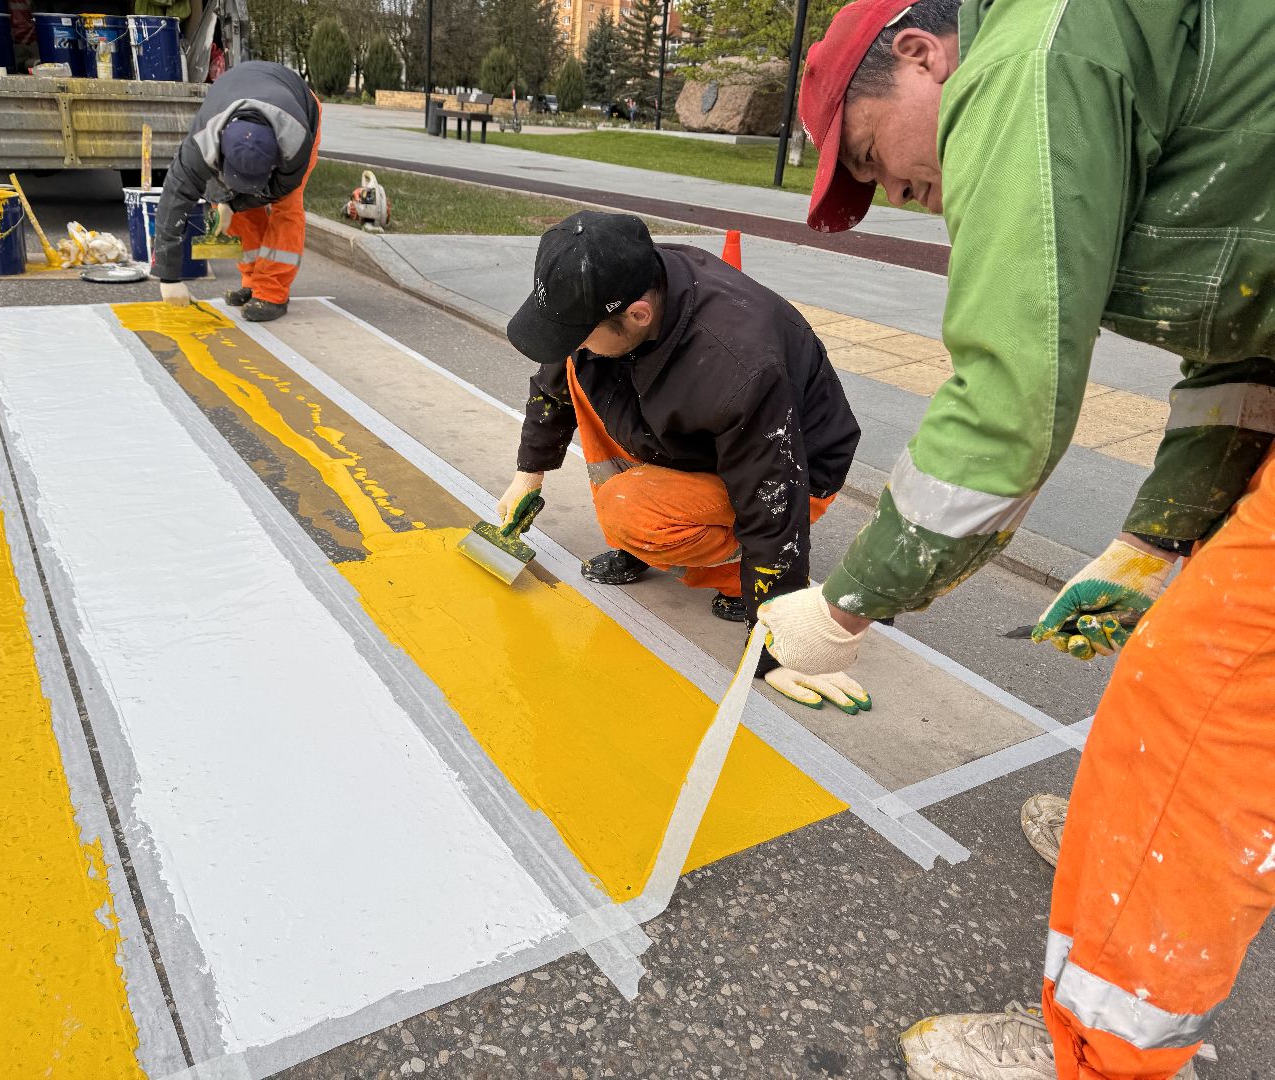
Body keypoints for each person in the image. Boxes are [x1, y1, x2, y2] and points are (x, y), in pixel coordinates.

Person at [759, 0, 1275, 1076]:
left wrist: (849, 602)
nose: (896, 193)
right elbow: (1243, 349)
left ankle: (1098, 1054)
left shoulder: (1021, 61)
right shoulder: (1084, 44)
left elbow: (1006, 406)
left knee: (1203, 689)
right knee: (1181, 660)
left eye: (872, 156)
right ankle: (1120, 847)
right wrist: (1158, 535)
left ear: (921, 53)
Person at [503, 211, 869, 711]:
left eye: (582, 333)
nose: (577, 345)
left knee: (628, 507)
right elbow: (557, 370)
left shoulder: (740, 363)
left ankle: (729, 568)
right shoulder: (629, 281)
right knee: (578, 370)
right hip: (697, 437)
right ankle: (656, 537)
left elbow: (773, 495)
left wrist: (777, 640)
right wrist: (529, 473)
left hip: (794, 468)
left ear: (637, 314)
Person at [154, 60, 321, 322]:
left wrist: (233, 205)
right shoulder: (202, 143)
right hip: (240, 94)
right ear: (220, 153)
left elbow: (279, 188)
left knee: (286, 208)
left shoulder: (295, 142)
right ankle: (253, 281)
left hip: (298, 103)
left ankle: (272, 291)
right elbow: (173, 200)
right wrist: (168, 278)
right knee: (226, 201)